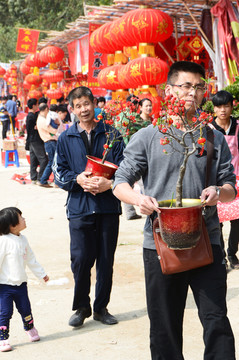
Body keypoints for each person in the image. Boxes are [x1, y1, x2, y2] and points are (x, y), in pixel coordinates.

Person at [113, 61, 236, 360]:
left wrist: (217, 193)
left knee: (216, 319)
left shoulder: (213, 137)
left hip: (206, 241)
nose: (192, 93)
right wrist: (137, 199)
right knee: (165, 325)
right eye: (185, 86)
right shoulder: (149, 136)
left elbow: (230, 185)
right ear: (168, 91)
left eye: (199, 87)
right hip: (160, 244)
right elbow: (120, 181)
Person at [53, 86, 125, 327]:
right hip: (79, 207)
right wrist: (77, 179)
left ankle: (101, 307)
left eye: (87, 103)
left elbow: (126, 169)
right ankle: (82, 306)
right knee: (81, 259)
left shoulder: (112, 134)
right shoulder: (65, 138)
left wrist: (110, 183)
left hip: (107, 207)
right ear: (72, 109)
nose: (83, 109)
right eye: (78, 105)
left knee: (106, 259)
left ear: (94, 104)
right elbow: (58, 173)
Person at [0, 207, 49, 352]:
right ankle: (3, 337)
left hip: (21, 284)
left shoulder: (23, 239)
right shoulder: (3, 241)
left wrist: (41, 274)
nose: (24, 219)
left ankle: (30, 328)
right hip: (4, 286)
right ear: (12, 224)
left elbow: (30, 259)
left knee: (25, 308)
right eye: (21, 217)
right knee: (5, 312)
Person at [212, 90, 239, 270]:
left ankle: (232, 253)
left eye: (226, 106)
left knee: (237, 220)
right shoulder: (208, 128)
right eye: (219, 106)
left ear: (232, 106)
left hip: (237, 178)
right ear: (214, 109)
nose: (223, 110)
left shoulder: (237, 125)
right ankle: (221, 255)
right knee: (218, 221)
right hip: (216, 181)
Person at [25, 98, 48, 184]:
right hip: (35, 140)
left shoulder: (32, 115)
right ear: (34, 105)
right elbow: (33, 128)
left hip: (32, 140)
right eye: (37, 105)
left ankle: (34, 177)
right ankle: (40, 177)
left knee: (33, 159)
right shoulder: (32, 116)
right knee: (43, 159)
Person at [37, 103, 59, 187]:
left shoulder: (42, 118)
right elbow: (53, 131)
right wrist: (57, 124)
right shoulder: (42, 120)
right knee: (54, 162)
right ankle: (46, 180)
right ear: (46, 109)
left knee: (53, 161)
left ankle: (45, 180)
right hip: (50, 142)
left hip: (49, 142)